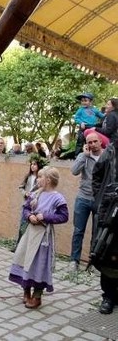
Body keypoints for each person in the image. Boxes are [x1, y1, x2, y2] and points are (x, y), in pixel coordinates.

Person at [9, 167, 69, 309]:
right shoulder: (36, 194)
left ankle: (37, 296)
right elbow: (25, 208)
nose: (37, 179)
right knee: (24, 259)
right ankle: (25, 291)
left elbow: (64, 216)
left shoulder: (57, 198)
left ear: (48, 180)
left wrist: (46, 216)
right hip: (30, 233)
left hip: (43, 237)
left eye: (40, 177)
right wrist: (29, 215)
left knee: (39, 264)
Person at [68, 131, 104, 274]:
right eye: (89, 142)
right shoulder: (84, 156)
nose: (93, 144)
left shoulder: (107, 155)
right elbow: (74, 171)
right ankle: (74, 261)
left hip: (100, 200)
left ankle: (93, 263)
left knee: (97, 232)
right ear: (86, 144)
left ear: (100, 142)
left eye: (95, 141)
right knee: (78, 231)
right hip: (83, 198)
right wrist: (84, 155)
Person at [90, 134, 118, 314]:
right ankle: (108, 296)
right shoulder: (112, 149)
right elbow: (97, 173)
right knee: (107, 252)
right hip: (112, 209)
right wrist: (101, 197)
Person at [13, 155, 48, 249]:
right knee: (22, 225)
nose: (32, 166)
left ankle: (29, 246)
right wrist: (25, 193)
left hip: (36, 205)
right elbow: (21, 187)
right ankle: (18, 245)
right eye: (31, 164)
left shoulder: (40, 178)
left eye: (35, 164)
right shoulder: (28, 176)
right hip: (27, 204)